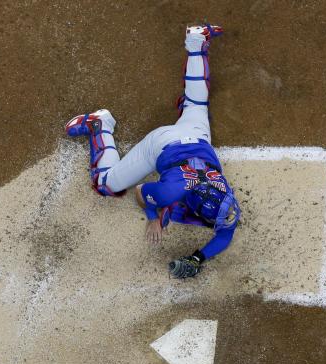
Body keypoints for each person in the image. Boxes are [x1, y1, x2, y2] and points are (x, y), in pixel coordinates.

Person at [64, 23, 241, 279]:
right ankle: (99, 125)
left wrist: (197, 258)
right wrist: (152, 217)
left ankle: (196, 42)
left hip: (197, 135)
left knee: (197, 103)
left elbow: (226, 232)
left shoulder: (222, 196)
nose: (225, 220)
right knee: (106, 184)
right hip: (160, 144)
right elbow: (141, 192)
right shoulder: (171, 192)